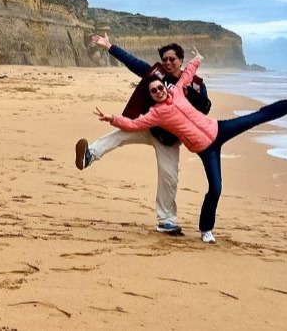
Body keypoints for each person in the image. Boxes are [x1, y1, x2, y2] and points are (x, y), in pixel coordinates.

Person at [94, 48, 287, 244]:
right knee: (216, 188)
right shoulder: (156, 114)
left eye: (160, 88)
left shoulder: (179, 90)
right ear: (151, 96)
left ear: (165, 87)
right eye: (154, 91)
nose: (159, 91)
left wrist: (197, 58)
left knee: (258, 116)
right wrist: (112, 118)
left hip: (220, 129)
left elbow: (188, 74)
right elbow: (133, 124)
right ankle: (206, 229)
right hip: (206, 150)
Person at [75, 34, 211, 236]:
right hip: (148, 125)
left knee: (169, 179)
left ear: (181, 61)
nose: (167, 63)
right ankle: (89, 155)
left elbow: (206, 108)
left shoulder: (195, 83)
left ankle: (166, 222)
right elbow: (134, 63)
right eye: (164, 59)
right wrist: (110, 46)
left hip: (169, 139)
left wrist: (190, 91)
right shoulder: (156, 74)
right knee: (119, 135)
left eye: (171, 59)